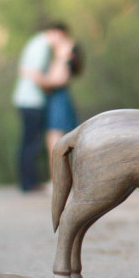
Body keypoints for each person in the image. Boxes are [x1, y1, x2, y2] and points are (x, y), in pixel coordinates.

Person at [12, 22, 71, 192]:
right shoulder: (41, 46)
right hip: (31, 100)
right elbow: (35, 74)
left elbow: (28, 71)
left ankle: (29, 182)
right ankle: (28, 183)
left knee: (30, 142)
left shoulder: (37, 43)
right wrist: (51, 84)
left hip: (28, 99)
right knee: (31, 143)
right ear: (56, 32)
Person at [43, 39, 84, 176]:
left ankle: (56, 180)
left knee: (54, 144)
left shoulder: (64, 65)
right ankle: (58, 179)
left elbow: (53, 80)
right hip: (59, 103)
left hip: (58, 104)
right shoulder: (63, 63)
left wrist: (33, 75)